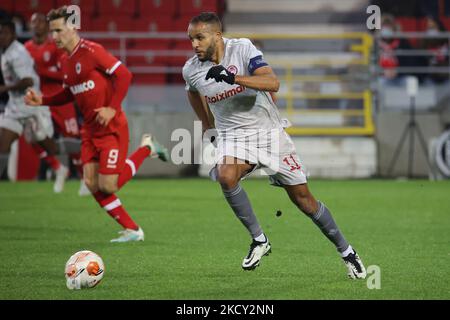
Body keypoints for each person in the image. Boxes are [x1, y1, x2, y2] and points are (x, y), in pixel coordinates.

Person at [182, 12, 366, 278]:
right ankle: (259, 240)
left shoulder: (243, 49)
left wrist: (234, 78)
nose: (194, 44)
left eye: (199, 37)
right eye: (191, 39)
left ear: (217, 35)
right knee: (226, 175)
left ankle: (348, 253)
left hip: (269, 135)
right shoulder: (191, 70)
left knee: (304, 201)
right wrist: (207, 125)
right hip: (233, 137)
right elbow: (192, 91)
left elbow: (273, 82)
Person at [25, 6, 169, 242]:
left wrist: (112, 108)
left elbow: (124, 75)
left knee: (109, 185)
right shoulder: (65, 60)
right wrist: (43, 100)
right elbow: (69, 93)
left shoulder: (93, 51)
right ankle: (133, 230)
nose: (55, 37)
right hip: (89, 131)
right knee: (91, 182)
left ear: (73, 27)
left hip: (111, 129)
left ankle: (147, 148)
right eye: (53, 31)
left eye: (59, 30)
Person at [25, 12, 84, 194]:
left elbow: (64, 74)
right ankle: (59, 169)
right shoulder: (26, 48)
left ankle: (84, 177)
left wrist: (41, 71)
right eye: (34, 22)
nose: (37, 25)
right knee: (32, 136)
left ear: (47, 25)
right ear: (30, 26)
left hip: (60, 98)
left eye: (41, 21)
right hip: (38, 99)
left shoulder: (56, 46)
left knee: (71, 137)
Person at [0, 19, 60, 185]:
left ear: (12, 34)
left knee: (49, 145)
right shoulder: (7, 52)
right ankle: (3, 180)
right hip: (15, 107)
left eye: (4, 33)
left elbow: (28, 81)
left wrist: (5, 88)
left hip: (32, 105)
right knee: (2, 144)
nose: (1, 36)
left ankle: (73, 160)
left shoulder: (17, 53)